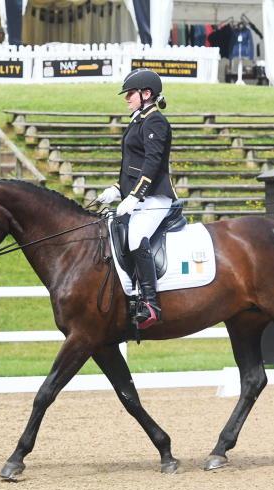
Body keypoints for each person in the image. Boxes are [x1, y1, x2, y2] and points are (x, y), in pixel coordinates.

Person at [96, 68, 177, 329]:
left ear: (146, 94)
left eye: (130, 93)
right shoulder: (138, 120)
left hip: (155, 198)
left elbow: (152, 163)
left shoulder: (155, 121)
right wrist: (117, 189)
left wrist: (134, 195)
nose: (126, 98)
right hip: (140, 196)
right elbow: (134, 165)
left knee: (136, 236)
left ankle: (150, 303)